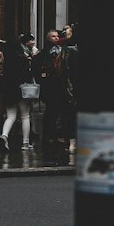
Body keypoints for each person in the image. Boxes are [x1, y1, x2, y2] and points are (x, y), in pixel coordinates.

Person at [35, 29, 76, 161]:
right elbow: (38, 68)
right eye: (53, 36)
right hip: (51, 88)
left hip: (60, 88)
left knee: (61, 113)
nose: (56, 38)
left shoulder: (63, 52)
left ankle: (57, 137)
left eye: (57, 36)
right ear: (48, 38)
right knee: (52, 113)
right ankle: (50, 137)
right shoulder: (45, 53)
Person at [0, 34, 38, 156]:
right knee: (25, 116)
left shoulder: (4, 59)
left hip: (9, 90)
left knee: (10, 116)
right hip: (22, 89)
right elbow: (27, 75)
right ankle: (25, 144)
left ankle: (4, 136)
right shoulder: (22, 59)